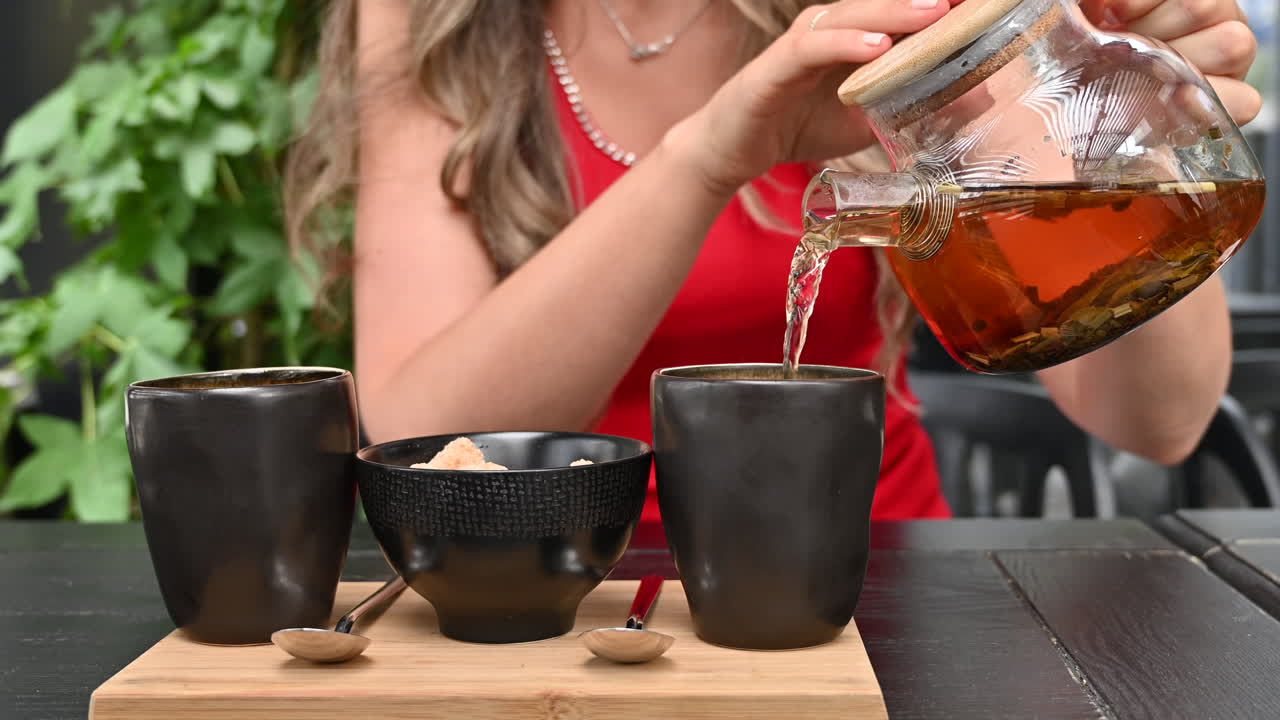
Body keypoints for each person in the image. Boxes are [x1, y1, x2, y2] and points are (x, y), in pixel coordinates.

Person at [287, 0, 1263, 545]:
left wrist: (1117, 114)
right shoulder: (438, 17)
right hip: (546, 605)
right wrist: (706, 157)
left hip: (865, 591)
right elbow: (433, 440)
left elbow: (1156, 418)